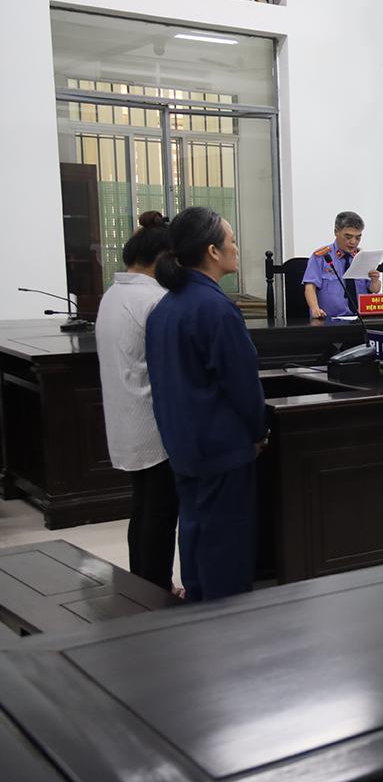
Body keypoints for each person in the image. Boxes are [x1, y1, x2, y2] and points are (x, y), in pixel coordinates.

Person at [145, 207, 267, 602]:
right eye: (231, 241)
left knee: (195, 534)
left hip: (183, 443)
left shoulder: (165, 307)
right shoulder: (215, 308)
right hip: (221, 447)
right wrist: (258, 430)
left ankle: (199, 612)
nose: (236, 248)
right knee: (225, 547)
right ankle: (225, 623)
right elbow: (242, 383)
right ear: (213, 251)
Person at [95, 215, 178, 593]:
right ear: (162, 257)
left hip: (125, 419)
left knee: (143, 508)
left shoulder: (112, 295)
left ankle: (140, 586)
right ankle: (156, 591)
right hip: (153, 421)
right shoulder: (153, 300)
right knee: (160, 513)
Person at [303, 211, 382, 318]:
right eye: (348, 237)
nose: (353, 242)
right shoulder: (322, 256)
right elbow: (310, 286)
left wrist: (375, 281)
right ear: (336, 232)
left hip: (360, 319)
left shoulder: (362, 257)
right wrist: (314, 309)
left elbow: (374, 290)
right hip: (329, 319)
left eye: (358, 237)